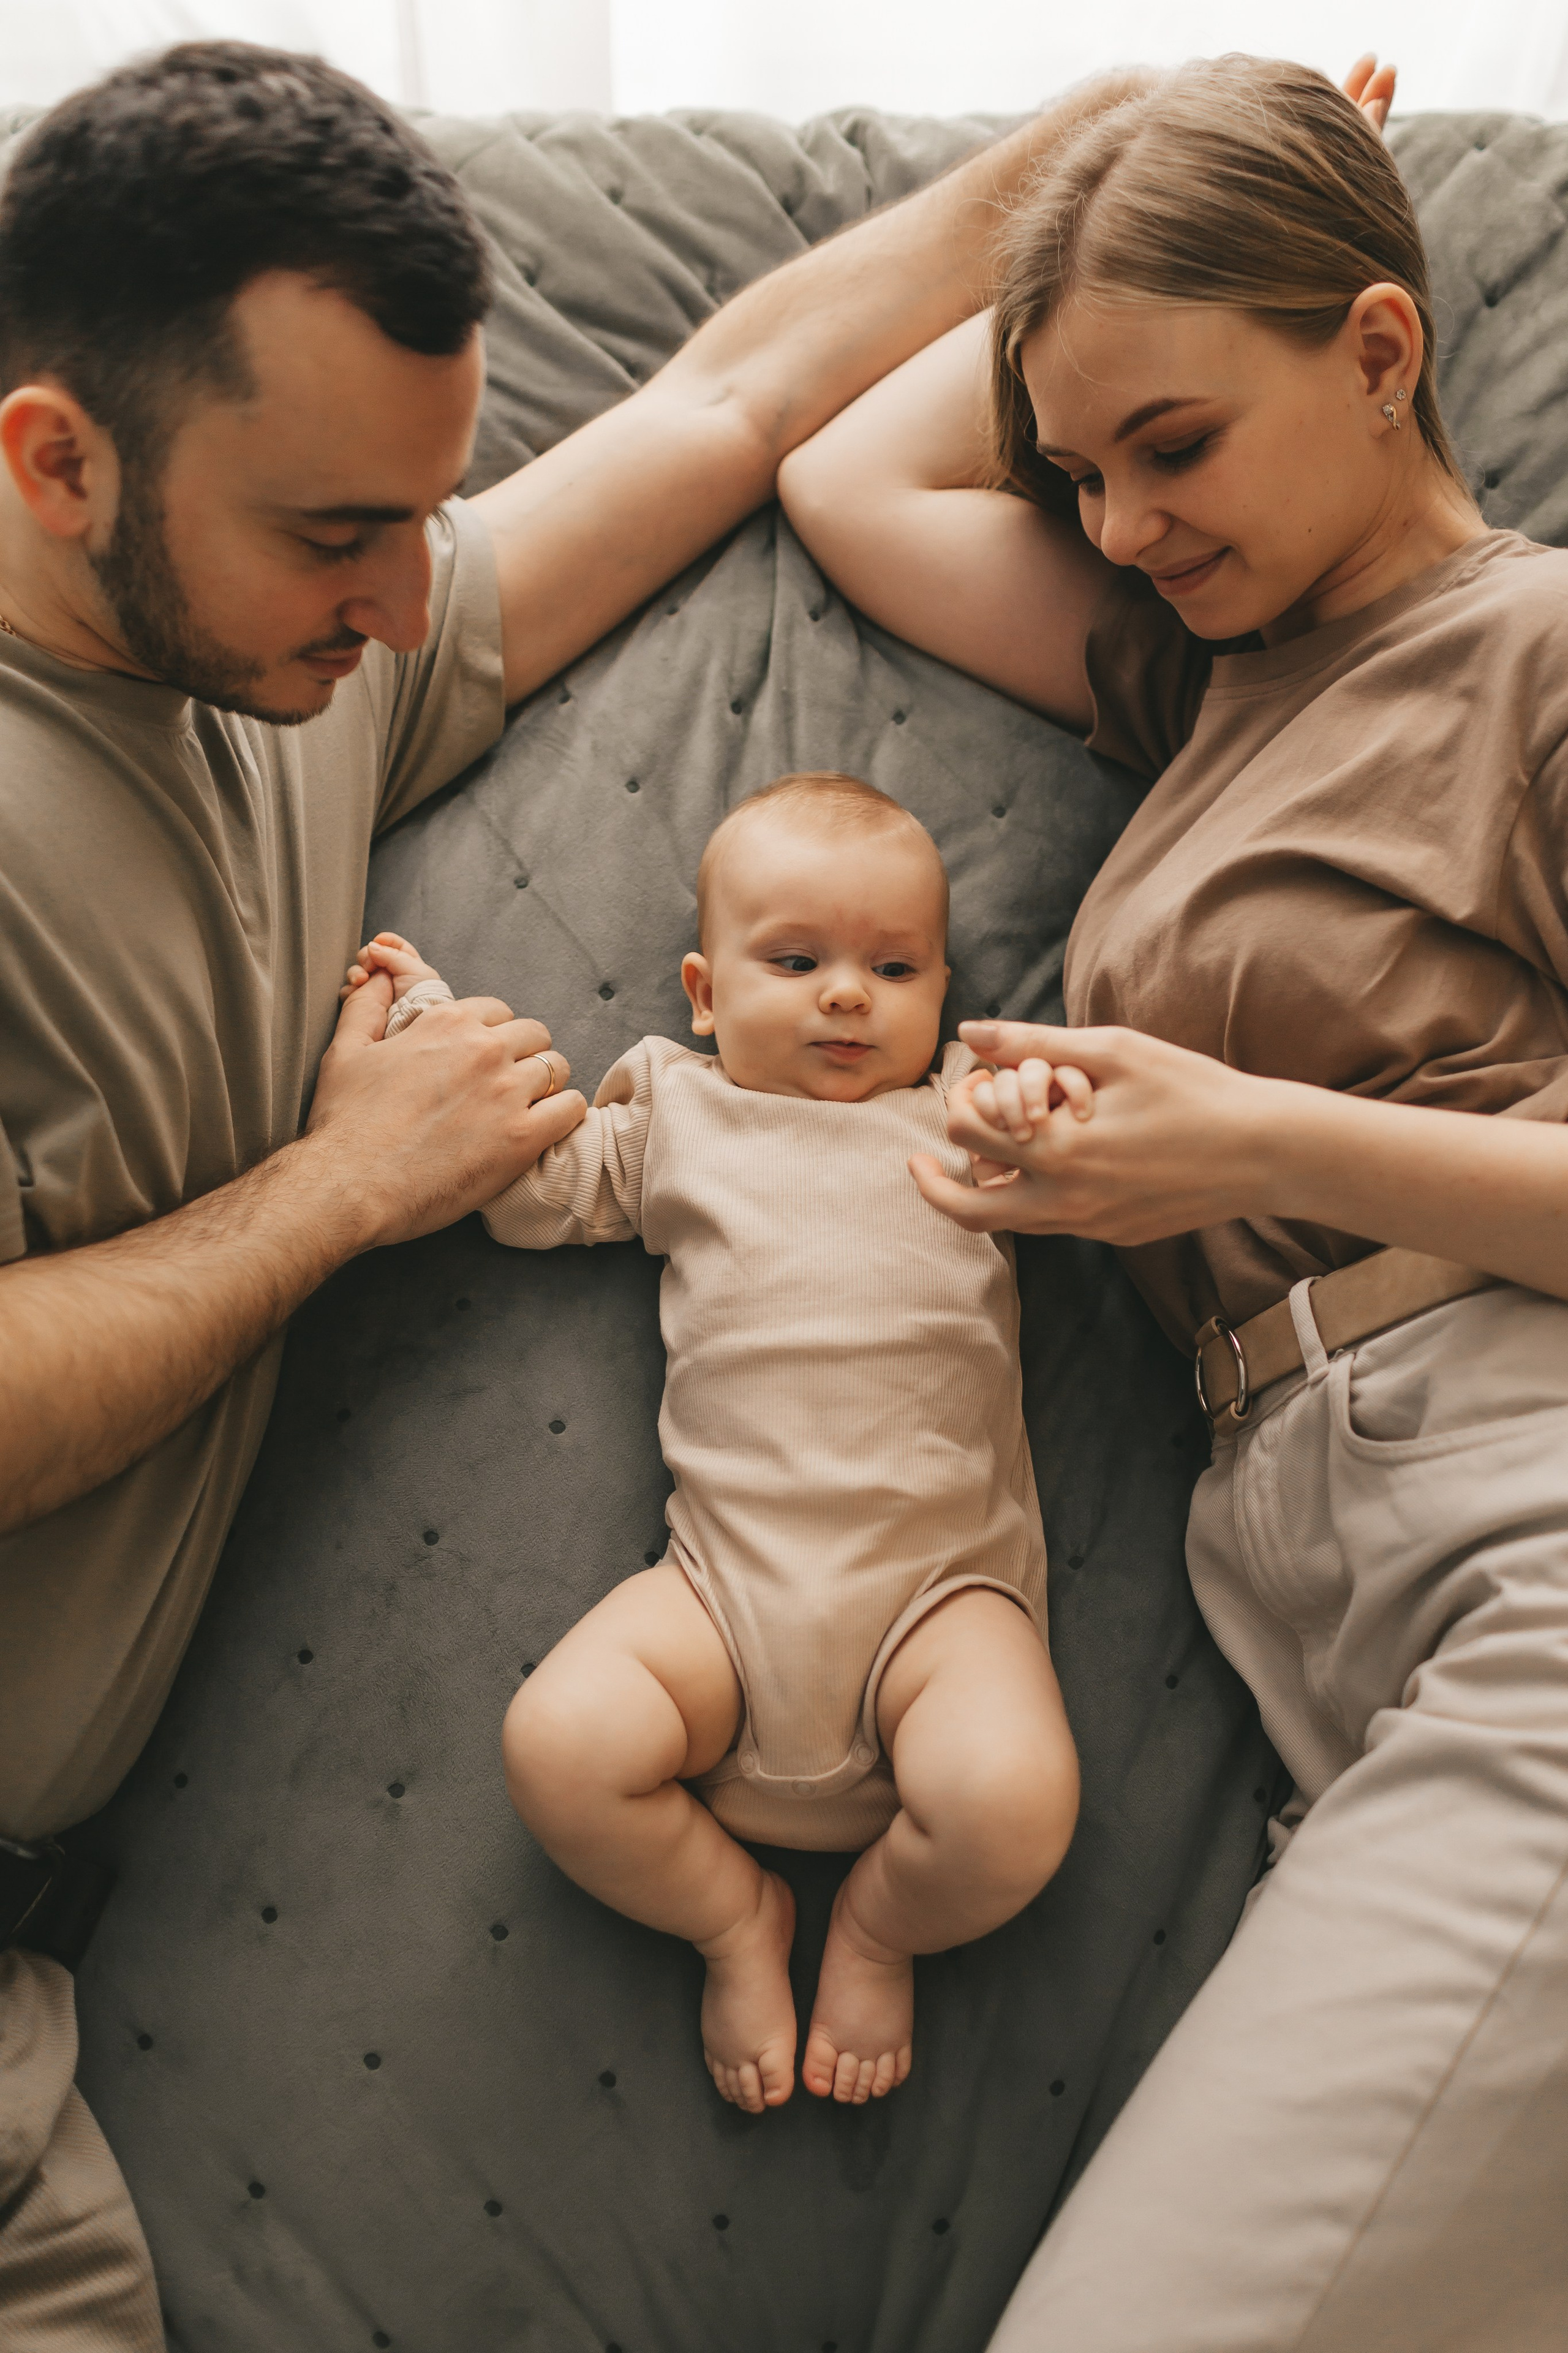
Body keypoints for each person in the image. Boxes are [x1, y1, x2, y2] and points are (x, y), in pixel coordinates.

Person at [0, 37, 1161, 2349]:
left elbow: (731, 397)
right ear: (55, 459)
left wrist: (1097, 158)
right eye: (345, 531)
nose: (414, 594)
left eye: (431, 511)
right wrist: (347, 1183)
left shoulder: (300, 673)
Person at [778, 47, 1568, 2353]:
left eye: (1178, 445)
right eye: (1083, 467)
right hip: (1333, 1603)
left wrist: (1238, 1139)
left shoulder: (1529, 648)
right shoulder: (1202, 672)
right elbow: (849, 471)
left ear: (1382, 345)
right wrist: (1085, 183)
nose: (1114, 524)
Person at [344, 776, 1082, 2115]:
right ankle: (734, 1919)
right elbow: (525, 1183)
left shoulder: (964, 1119)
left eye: (892, 965)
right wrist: (426, 1029)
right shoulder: (680, 1115)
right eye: (795, 962)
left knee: (1012, 1804)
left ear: (943, 991)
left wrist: (1035, 1107)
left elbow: (1087, 1157)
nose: (847, 995)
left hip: (935, 1605)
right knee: (558, 1746)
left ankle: (873, 1926)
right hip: (720, 1602)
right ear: (703, 989)